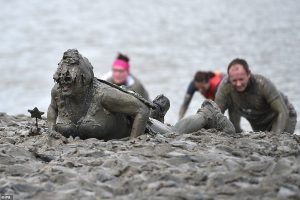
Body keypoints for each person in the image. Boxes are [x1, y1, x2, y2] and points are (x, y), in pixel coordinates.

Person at [47, 49, 235, 141]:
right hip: (122, 113)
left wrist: (134, 142)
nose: (64, 86)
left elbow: (141, 109)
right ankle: (159, 110)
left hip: (138, 123)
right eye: (61, 81)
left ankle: (207, 113)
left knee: (173, 134)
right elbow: (53, 108)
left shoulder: (104, 94)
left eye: (70, 81)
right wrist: (50, 130)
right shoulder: (59, 92)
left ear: (84, 79)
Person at [215, 58, 297, 134]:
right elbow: (216, 113)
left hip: (283, 115)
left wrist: (276, 137)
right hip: (258, 120)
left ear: (248, 74)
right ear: (229, 78)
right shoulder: (225, 88)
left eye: (241, 79)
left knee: (277, 144)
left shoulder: (262, 84)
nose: (238, 84)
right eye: (234, 80)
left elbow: (282, 111)